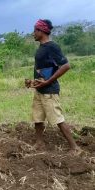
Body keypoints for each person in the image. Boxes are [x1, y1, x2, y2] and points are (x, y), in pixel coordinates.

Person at [25, 19, 81, 155]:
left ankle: (75, 148)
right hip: (40, 90)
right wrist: (32, 82)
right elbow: (44, 70)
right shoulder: (42, 48)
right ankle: (39, 143)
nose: (33, 33)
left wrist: (48, 82)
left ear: (42, 31)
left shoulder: (52, 47)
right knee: (37, 118)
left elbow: (66, 66)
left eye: (35, 30)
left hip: (49, 91)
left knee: (57, 119)